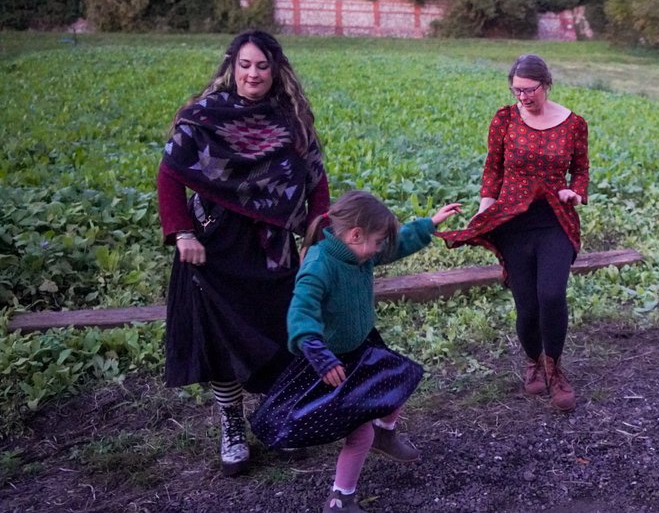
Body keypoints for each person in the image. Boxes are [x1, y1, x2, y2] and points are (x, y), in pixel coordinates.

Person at [157, 30, 330, 476]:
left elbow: (317, 182)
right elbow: (170, 174)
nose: (253, 74)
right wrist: (181, 234)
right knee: (221, 339)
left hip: (272, 248)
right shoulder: (205, 117)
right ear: (233, 66)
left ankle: (279, 417)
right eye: (246, 65)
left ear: (276, 71)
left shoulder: (292, 123)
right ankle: (232, 424)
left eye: (262, 66)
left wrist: (317, 230)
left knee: (280, 333)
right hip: (214, 248)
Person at [250, 190, 460, 513]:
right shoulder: (320, 266)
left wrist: (428, 224)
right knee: (358, 433)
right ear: (355, 234)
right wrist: (317, 352)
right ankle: (340, 497)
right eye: (376, 242)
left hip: (363, 347)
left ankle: (385, 435)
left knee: (397, 382)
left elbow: (396, 244)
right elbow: (300, 312)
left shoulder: (360, 252)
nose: (379, 250)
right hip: (331, 365)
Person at [438, 54, 589, 412]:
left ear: (546, 84)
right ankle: (533, 361)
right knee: (527, 303)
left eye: (529, 90)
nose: (522, 97)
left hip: (555, 220)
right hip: (512, 222)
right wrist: (485, 206)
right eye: (516, 90)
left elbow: (580, 169)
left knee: (551, 294)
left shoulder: (574, 124)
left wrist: (575, 192)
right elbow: (493, 167)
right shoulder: (505, 119)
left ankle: (555, 370)